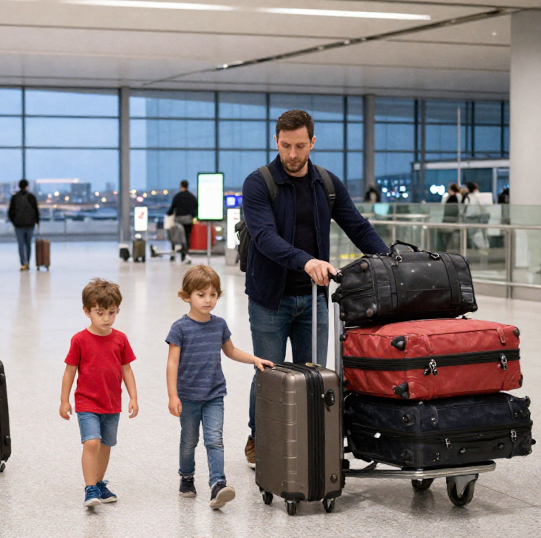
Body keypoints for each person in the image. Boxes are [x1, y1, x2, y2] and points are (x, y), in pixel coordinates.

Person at [241, 109, 389, 468]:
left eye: (301, 146)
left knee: (312, 372)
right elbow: (264, 237)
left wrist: (391, 262)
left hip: (314, 298)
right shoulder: (258, 183)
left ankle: (305, 438)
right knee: (269, 372)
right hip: (270, 299)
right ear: (276, 141)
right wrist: (305, 261)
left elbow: (357, 226)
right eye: (287, 145)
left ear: (313, 142)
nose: (293, 154)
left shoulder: (326, 183)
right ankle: (260, 437)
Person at [166, 266, 274, 509]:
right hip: (189, 396)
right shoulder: (180, 328)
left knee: (214, 439)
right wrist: (173, 395)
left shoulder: (219, 325)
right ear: (187, 296)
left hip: (214, 394)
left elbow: (231, 351)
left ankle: (218, 484)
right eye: (201, 295)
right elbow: (172, 362)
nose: (208, 300)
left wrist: (255, 359)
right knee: (189, 440)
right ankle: (186, 476)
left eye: (213, 295)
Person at [59, 279, 138, 509]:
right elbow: (69, 372)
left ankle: (99, 483)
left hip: (112, 403)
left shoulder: (120, 339)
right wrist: (64, 400)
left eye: (112, 312)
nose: (106, 318)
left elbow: (127, 369)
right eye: (100, 312)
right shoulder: (80, 340)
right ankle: (89, 488)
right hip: (87, 402)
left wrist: (133, 396)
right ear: (87, 312)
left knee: (105, 445)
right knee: (92, 443)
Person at [8, 179, 39, 270]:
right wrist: (37, 221)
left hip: (18, 225)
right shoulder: (31, 197)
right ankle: (28, 262)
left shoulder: (15, 197)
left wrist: (13, 221)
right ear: (27, 186)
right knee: (28, 244)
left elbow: (11, 211)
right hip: (30, 224)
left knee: (21, 244)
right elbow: (36, 210)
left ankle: (23, 262)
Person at [167, 180, 198, 253]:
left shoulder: (177, 196)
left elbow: (172, 208)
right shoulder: (191, 197)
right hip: (188, 219)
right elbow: (195, 207)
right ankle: (186, 251)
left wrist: (169, 214)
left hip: (179, 220)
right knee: (187, 236)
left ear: (181, 186)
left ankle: (174, 250)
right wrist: (193, 216)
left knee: (175, 235)